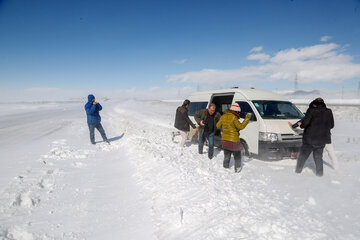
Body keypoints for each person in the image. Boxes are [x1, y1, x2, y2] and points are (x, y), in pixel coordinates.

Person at [288, 99, 338, 170]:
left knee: (312, 155)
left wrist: (295, 126)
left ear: (314, 104)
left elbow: (303, 122)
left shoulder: (311, 112)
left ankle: (308, 168)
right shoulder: (328, 112)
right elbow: (332, 125)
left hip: (314, 138)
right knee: (330, 153)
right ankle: (336, 169)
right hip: (325, 137)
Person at [216, 103, 251, 172]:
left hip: (225, 140)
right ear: (235, 111)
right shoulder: (234, 117)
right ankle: (237, 169)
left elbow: (217, 125)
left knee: (227, 155)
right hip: (234, 140)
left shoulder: (223, 116)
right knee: (237, 156)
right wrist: (247, 118)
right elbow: (240, 126)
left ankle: (225, 168)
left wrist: (224, 129)